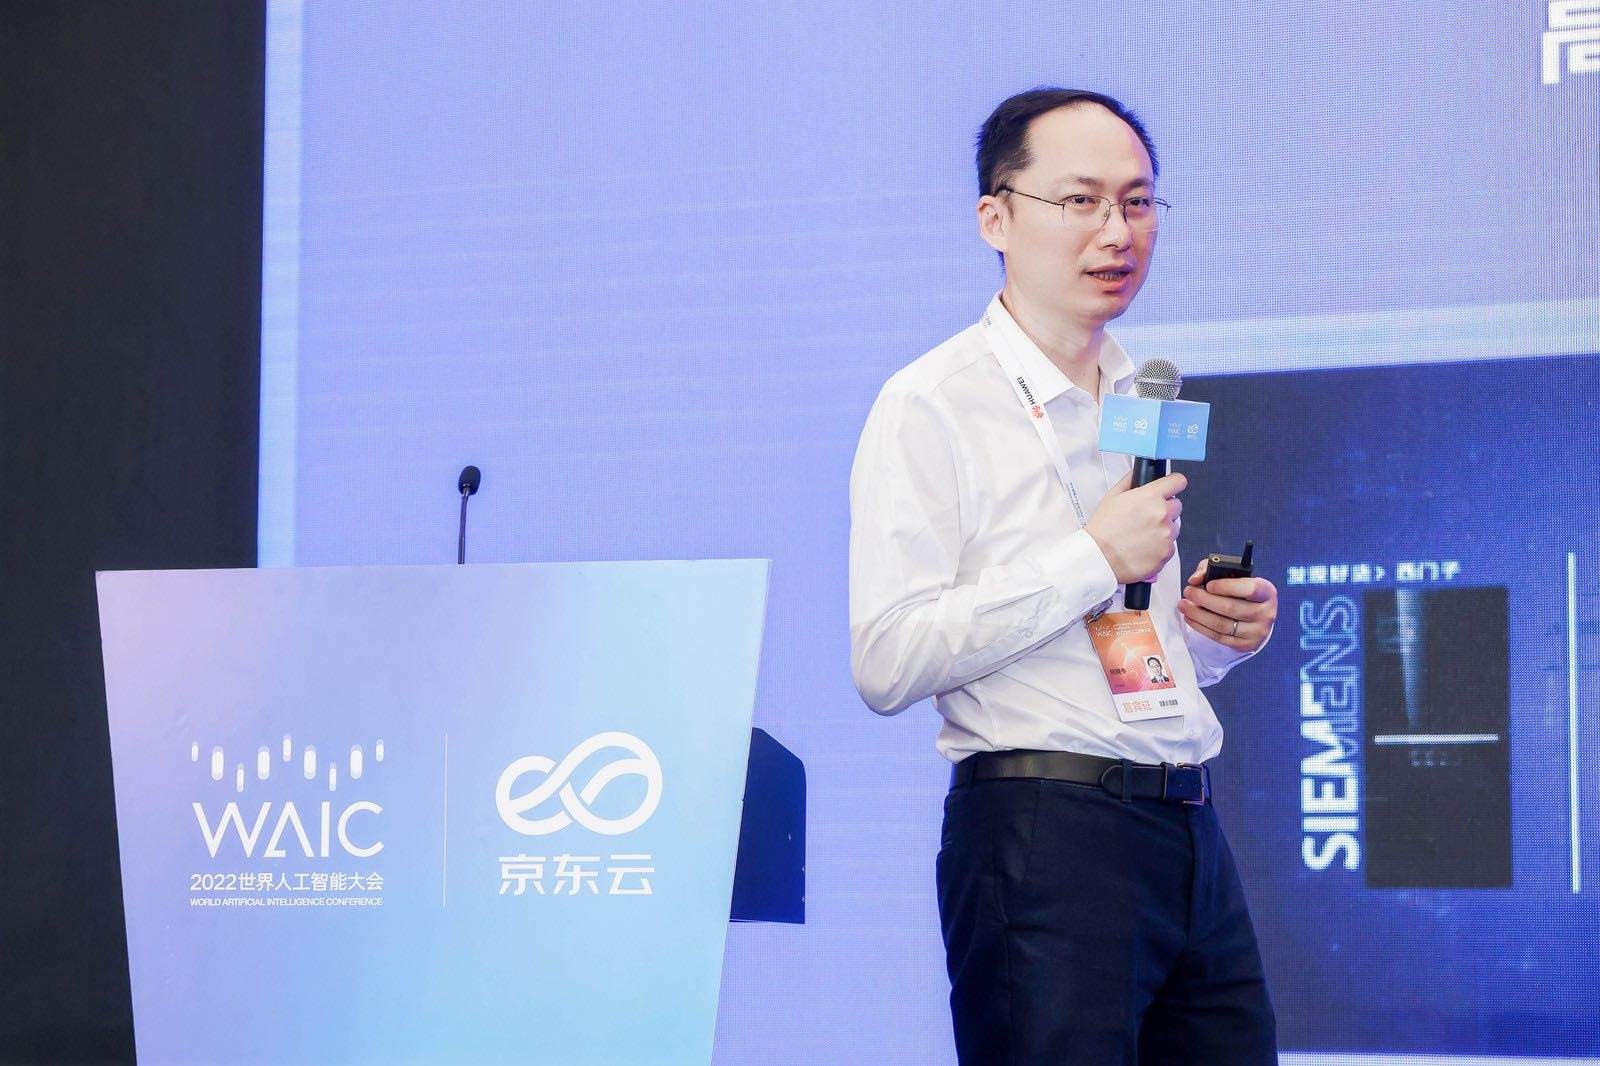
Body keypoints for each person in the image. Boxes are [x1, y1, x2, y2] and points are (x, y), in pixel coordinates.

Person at [848, 88, 1280, 1064]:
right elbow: (886, 659)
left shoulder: (1142, 389)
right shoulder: (931, 403)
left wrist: (1209, 637)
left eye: (1137, 202)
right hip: (1043, 838)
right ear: (994, 218)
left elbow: (1118, 633)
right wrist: (1091, 556)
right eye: (1080, 200)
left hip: (1188, 834)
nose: (1116, 231)